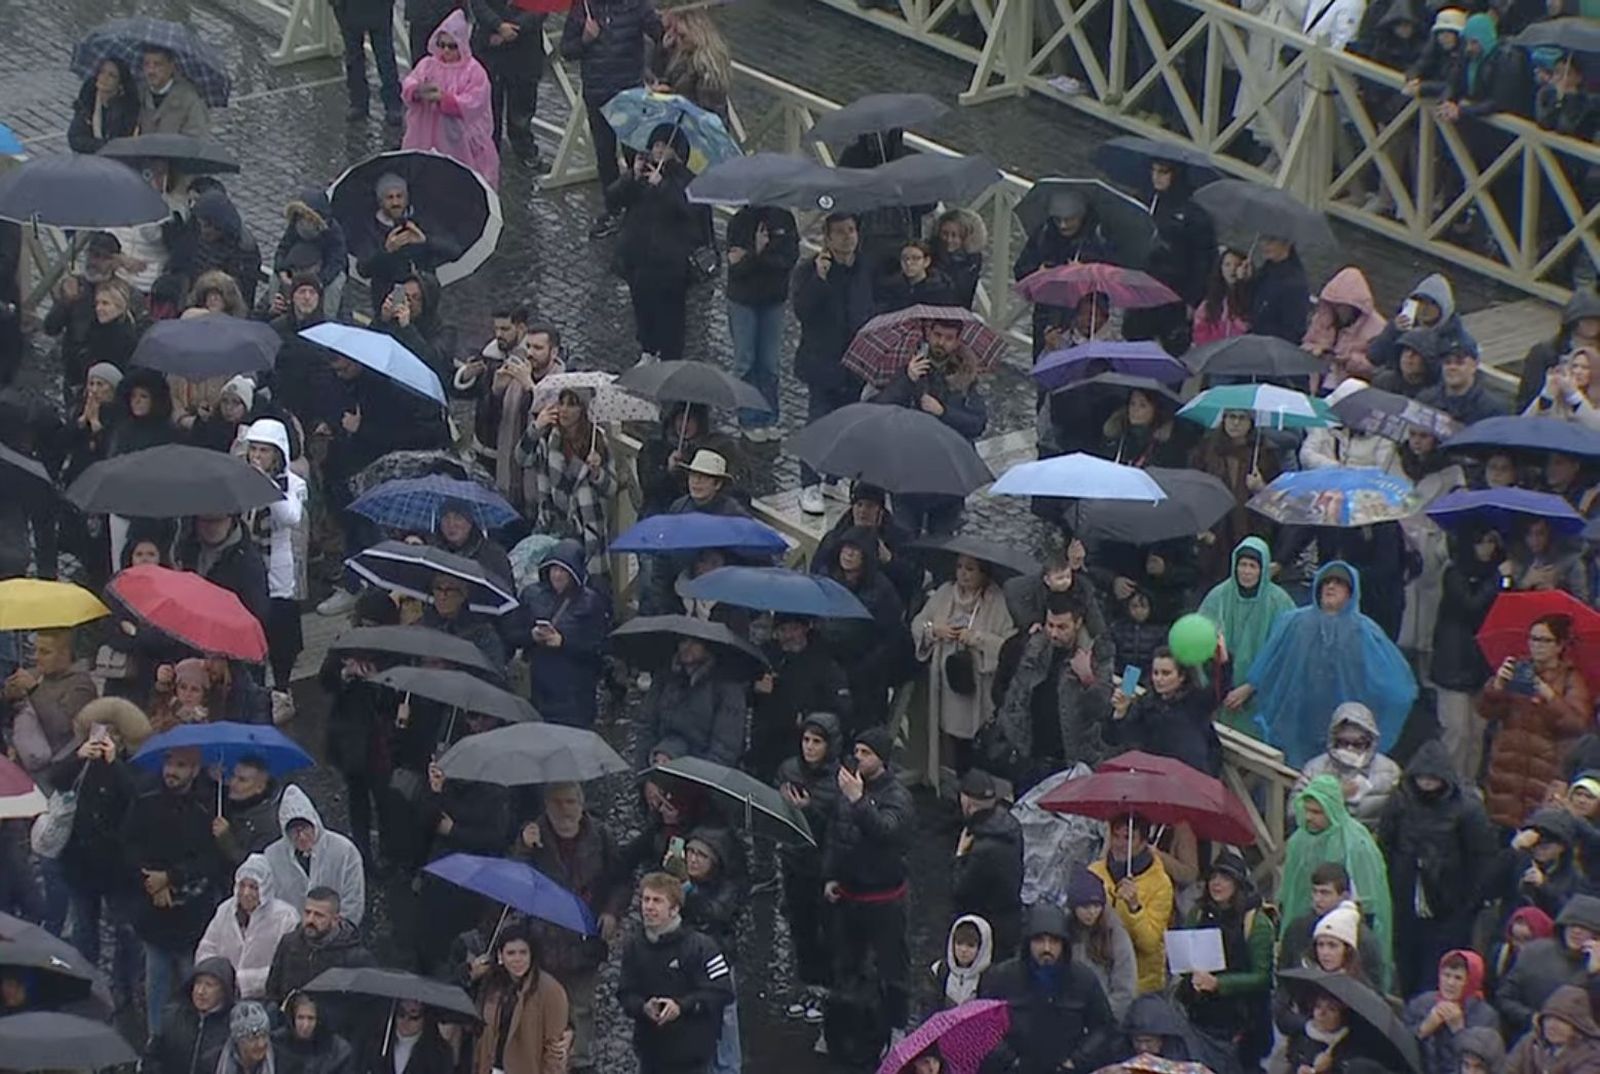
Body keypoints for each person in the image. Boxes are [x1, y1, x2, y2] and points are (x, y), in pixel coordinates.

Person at [1228, 561, 1418, 769]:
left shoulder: (1366, 632)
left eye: (1339, 583)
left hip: (1342, 727)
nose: (1330, 586)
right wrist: (1249, 687)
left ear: (1351, 592)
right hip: (1297, 718)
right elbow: (1272, 660)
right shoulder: (1293, 622)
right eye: (1326, 581)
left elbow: (1393, 681)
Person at [510, 782, 626, 1073]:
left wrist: (612, 913)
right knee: (541, 1009)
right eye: (558, 803)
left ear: (582, 803)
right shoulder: (533, 835)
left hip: (585, 940)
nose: (565, 810)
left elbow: (621, 879)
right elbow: (514, 881)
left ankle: (580, 1063)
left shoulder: (601, 835)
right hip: (543, 942)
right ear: (546, 806)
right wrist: (523, 848)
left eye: (571, 802)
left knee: (581, 1009)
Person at [122, 746, 228, 1037]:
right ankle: (155, 1045)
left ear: (195, 770)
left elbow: (210, 861)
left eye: (181, 765)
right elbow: (129, 846)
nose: (171, 771)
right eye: (169, 763)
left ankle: (194, 1043)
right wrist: (149, 882)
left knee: (194, 988)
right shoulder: (145, 797)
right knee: (155, 986)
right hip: (152, 915)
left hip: (192, 918)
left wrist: (169, 878)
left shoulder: (209, 805)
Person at [1378, 741, 1496, 996]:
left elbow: (1482, 857)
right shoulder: (1399, 802)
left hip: (1449, 908)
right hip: (1405, 902)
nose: (1427, 782)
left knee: (1439, 977)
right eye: (1422, 777)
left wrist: (1469, 903)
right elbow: (1386, 844)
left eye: (1433, 777)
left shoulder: (1468, 808)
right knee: (1407, 968)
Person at [825, 727, 915, 1042]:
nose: (859, 758)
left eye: (867, 753)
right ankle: (844, 1026)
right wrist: (831, 876)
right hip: (850, 894)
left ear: (883, 759)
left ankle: (897, 1029)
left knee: (892, 968)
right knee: (845, 964)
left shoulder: (897, 796)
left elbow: (888, 831)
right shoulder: (848, 787)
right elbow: (836, 836)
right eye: (857, 751)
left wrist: (859, 800)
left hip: (884, 897)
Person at [793, 213, 876, 515]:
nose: (847, 237)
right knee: (819, 422)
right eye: (839, 232)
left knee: (847, 425)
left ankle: (833, 478)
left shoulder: (866, 267)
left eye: (851, 230)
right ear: (827, 238)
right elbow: (802, 310)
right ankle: (809, 484)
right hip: (822, 359)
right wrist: (820, 279)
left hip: (856, 360)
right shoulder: (810, 270)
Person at [1278, 777, 1395, 991]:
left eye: (1317, 812)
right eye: (1307, 811)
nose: (1309, 817)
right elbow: (1290, 888)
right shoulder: (1298, 840)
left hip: (1346, 930)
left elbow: (1369, 899)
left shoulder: (1356, 843)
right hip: (1305, 926)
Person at [560, 0, 663, 239]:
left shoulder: (637, 5)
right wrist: (585, 39)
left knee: (635, 155)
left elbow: (659, 34)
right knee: (605, 156)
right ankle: (613, 209)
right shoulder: (582, 6)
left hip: (629, 96)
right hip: (598, 94)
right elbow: (566, 50)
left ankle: (640, 210)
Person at [992, 590, 1115, 790]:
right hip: (1030, 756)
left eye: (1062, 627)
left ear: (1078, 623)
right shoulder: (1035, 647)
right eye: (1051, 625)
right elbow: (1015, 691)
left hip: (1071, 760)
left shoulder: (1098, 654)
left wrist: (1088, 678)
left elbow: (1105, 711)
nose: (1054, 633)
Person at [1480, 614, 1593, 830]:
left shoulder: (1571, 679)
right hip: (1507, 767)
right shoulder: (1518, 669)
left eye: (1544, 640)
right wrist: (1497, 685)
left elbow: (1577, 725)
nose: (1536, 645)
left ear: (1559, 645)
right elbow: (1486, 710)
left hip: (1544, 770)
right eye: (1533, 639)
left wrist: (1549, 697)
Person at [978, 902, 1117, 1074]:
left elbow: (1103, 1027)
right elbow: (982, 1025)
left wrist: (1077, 1060)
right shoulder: (1003, 977)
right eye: (1039, 941)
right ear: (1028, 943)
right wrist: (1010, 1060)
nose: (1047, 948)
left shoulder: (1083, 979)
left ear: (1064, 944)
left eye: (1054, 941)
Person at [617, 872, 734, 1074]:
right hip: (650, 1052)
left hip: (691, 1054)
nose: (649, 907)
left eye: (657, 901)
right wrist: (643, 1007)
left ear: (674, 909)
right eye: (646, 899)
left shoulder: (701, 947)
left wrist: (681, 1006)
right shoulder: (633, 945)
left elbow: (722, 992)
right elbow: (625, 992)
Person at [914, 553, 1014, 780]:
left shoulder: (997, 601)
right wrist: (933, 630)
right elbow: (918, 624)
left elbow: (1008, 646)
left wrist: (978, 639)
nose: (963, 573)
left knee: (978, 746)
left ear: (983, 573)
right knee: (953, 743)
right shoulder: (944, 593)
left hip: (979, 687)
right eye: (959, 567)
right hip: (947, 684)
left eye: (970, 569)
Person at [1176, 849, 1273, 1069]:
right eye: (1214, 877)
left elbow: (1262, 977)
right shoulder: (1199, 913)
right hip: (1200, 1014)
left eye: (1225, 878)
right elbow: (1186, 953)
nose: (1217, 884)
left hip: (1241, 1021)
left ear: (1238, 883)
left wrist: (1220, 984)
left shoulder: (1255, 922)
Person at [774, 713, 842, 1024]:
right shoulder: (788, 768)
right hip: (794, 860)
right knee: (799, 925)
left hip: (823, 866)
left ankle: (826, 987)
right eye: (806, 740)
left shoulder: (838, 779)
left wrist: (808, 809)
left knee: (824, 929)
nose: (810, 747)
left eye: (817, 742)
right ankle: (806, 982)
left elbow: (839, 825)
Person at [612, 125, 697, 365]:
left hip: (670, 263)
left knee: (671, 316)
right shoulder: (644, 173)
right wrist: (632, 176)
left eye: (665, 146)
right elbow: (614, 199)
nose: (659, 150)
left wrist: (662, 187)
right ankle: (647, 350)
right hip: (639, 257)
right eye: (656, 145)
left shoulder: (686, 179)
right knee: (642, 308)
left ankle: (670, 358)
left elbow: (687, 211)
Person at [520, 390, 619, 580]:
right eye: (561, 403)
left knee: (593, 586)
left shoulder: (596, 440)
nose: (564, 409)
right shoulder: (548, 436)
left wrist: (597, 472)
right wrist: (536, 427)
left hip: (588, 526)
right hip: (554, 524)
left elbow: (612, 488)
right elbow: (522, 458)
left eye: (572, 404)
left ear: (583, 409)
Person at [242, 419, 308, 694]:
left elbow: (290, 515)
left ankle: (282, 690)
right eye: (254, 449)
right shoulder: (240, 476)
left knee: (282, 640)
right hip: (248, 566)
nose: (257, 456)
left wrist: (265, 485)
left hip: (280, 569)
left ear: (278, 453)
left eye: (264, 451)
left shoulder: (294, 483)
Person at [725, 202, 799, 440]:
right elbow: (735, 268)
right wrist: (758, 252)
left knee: (769, 364)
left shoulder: (784, 219)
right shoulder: (739, 221)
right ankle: (748, 419)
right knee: (745, 361)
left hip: (773, 300)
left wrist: (755, 257)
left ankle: (769, 416)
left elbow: (787, 260)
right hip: (743, 300)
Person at [519, 541, 610, 729]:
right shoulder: (532, 595)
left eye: (563, 570)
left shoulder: (591, 603)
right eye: (554, 569)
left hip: (575, 695)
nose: (557, 575)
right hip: (540, 690)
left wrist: (564, 642)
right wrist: (531, 636)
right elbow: (514, 632)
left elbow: (598, 648)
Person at [748, 614, 850, 781]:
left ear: (805, 629)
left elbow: (841, 709)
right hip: (764, 743)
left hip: (800, 746)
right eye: (783, 630)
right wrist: (755, 688)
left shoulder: (824, 664)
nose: (788, 636)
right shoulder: (765, 658)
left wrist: (810, 718)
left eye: (794, 629)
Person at [401, 13, 499, 187]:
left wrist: (446, 100)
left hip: (458, 140)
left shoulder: (474, 71)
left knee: (458, 179)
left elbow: (475, 101)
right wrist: (417, 91)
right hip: (423, 133)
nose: (446, 50)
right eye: (442, 45)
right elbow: (410, 82)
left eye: (452, 46)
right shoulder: (427, 64)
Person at [1088, 814, 1175, 996]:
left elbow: (1150, 943)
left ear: (1143, 843)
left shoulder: (1161, 883)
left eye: (1128, 838)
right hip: (1099, 977)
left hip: (1140, 983)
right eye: (1116, 836)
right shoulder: (1095, 872)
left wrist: (1134, 908)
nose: (1119, 844)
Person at [194, 854, 301, 1000]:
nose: (246, 893)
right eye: (242, 885)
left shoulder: (286, 916)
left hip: (267, 998)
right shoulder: (225, 910)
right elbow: (206, 949)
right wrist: (219, 978)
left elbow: (287, 966)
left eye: (253, 887)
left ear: (265, 888)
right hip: (223, 994)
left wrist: (244, 981)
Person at [634, 632, 749, 768]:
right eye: (683, 641)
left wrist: (687, 781)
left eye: (695, 642)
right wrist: (647, 774)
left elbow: (725, 746)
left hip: (703, 773)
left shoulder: (727, 686)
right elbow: (647, 725)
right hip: (661, 764)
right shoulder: (666, 676)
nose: (687, 647)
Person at [261, 785, 367, 928]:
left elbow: (353, 899)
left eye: (305, 828)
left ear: (315, 823)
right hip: (291, 938)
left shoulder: (344, 850)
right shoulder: (272, 856)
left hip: (336, 936)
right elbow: (268, 900)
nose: (301, 837)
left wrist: (338, 931)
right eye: (294, 831)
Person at [1109, 647, 1222, 778]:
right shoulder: (1147, 703)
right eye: (1155, 673)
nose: (1159, 679)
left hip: (1191, 778)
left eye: (1166, 673)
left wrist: (1222, 661)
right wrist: (1120, 712)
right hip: (1154, 778)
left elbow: (1220, 689)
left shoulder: (1196, 702)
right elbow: (1118, 738)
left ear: (1182, 676)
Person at [472, 926, 572, 1074]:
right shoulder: (492, 984)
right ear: (500, 956)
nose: (517, 959)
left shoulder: (551, 990)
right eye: (511, 953)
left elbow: (554, 1051)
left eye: (523, 953)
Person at [263, 887, 377, 1016]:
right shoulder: (289, 944)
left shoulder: (355, 957)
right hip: (289, 1026)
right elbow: (272, 989)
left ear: (335, 920)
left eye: (319, 915)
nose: (311, 920)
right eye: (307, 912)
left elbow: (366, 1007)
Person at [1294, 702, 1403, 830]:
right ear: (1334, 740)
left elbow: (1400, 816)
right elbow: (1295, 810)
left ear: (1370, 741)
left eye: (1357, 744)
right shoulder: (1315, 768)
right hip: (1325, 842)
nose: (1350, 749)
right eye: (1343, 742)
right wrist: (1335, 795)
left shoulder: (1389, 770)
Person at [950, 770, 1024, 954]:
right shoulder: (1012, 826)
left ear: (967, 802)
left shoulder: (982, 850)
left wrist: (960, 855)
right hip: (1011, 918)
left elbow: (959, 889)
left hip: (986, 927)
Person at [468, 0, 545, 158]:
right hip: (490, 46)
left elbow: (542, 8)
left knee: (522, 108)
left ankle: (525, 151)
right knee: (488, 107)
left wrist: (514, 28)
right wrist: (498, 25)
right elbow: (478, 4)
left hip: (525, 49)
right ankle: (488, 151)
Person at [1404, 951, 1501, 1074]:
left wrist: (1459, 1031)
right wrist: (1423, 1029)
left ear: (1471, 981)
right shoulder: (1421, 1004)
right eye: (1446, 975)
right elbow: (1401, 1045)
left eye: (1458, 978)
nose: (1450, 983)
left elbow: (1485, 1061)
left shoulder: (1486, 1016)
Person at [173, 513, 271, 635]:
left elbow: (256, 618)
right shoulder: (185, 551)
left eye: (217, 521)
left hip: (226, 640)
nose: (211, 528)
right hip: (186, 634)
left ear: (230, 518)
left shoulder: (248, 562)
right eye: (206, 521)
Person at [1063, 864, 1138, 1021]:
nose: (1091, 912)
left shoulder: (1116, 934)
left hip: (1106, 1019)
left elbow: (1125, 989)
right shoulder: (1064, 933)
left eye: (1096, 906)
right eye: (1085, 906)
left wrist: (1101, 1016)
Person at [142, 958, 237, 1074]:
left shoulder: (234, 1026)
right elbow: (152, 1057)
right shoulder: (172, 1017)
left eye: (209, 985)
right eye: (198, 983)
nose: (201, 991)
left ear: (224, 990)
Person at [1302, 265, 1387, 389]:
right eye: (1335, 305)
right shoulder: (1322, 319)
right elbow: (1306, 343)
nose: (1338, 310)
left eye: (1343, 306)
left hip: (1349, 389)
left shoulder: (1378, 329)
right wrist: (1316, 350)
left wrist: (1349, 361)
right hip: (1316, 382)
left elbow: (1377, 368)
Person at [1506, 985, 1600, 1074]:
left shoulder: (1593, 1054)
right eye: (1548, 1018)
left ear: (1578, 1025)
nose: (1551, 1025)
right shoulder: (1530, 1042)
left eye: (1561, 1021)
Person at [1242, 235, 1309, 343]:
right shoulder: (1266, 269)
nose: (1264, 244)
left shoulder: (1294, 283)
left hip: (1272, 344)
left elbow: (1294, 330)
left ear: (1288, 243)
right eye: (1262, 239)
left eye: (1271, 240)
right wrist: (1246, 281)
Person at [69, 57, 140, 154]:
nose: (104, 77)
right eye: (102, 72)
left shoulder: (127, 109)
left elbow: (121, 144)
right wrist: (102, 145)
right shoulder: (88, 99)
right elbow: (75, 138)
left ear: (120, 84)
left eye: (112, 75)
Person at [274, 991, 355, 1074]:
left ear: (319, 1020)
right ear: (292, 1018)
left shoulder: (337, 1050)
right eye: (300, 1018)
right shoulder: (277, 1043)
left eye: (311, 1018)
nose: (305, 1025)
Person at [139, 46, 210, 136]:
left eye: (157, 64)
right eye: (146, 64)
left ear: (171, 67)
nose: (151, 71)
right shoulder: (139, 95)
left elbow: (196, 138)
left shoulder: (189, 100)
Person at [930, 915, 994, 1012]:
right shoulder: (939, 970)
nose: (963, 950)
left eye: (971, 946)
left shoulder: (990, 977)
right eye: (959, 943)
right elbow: (928, 1006)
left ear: (981, 948)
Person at [929, 208, 986, 310]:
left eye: (955, 235)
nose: (949, 240)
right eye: (944, 234)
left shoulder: (973, 259)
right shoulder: (929, 253)